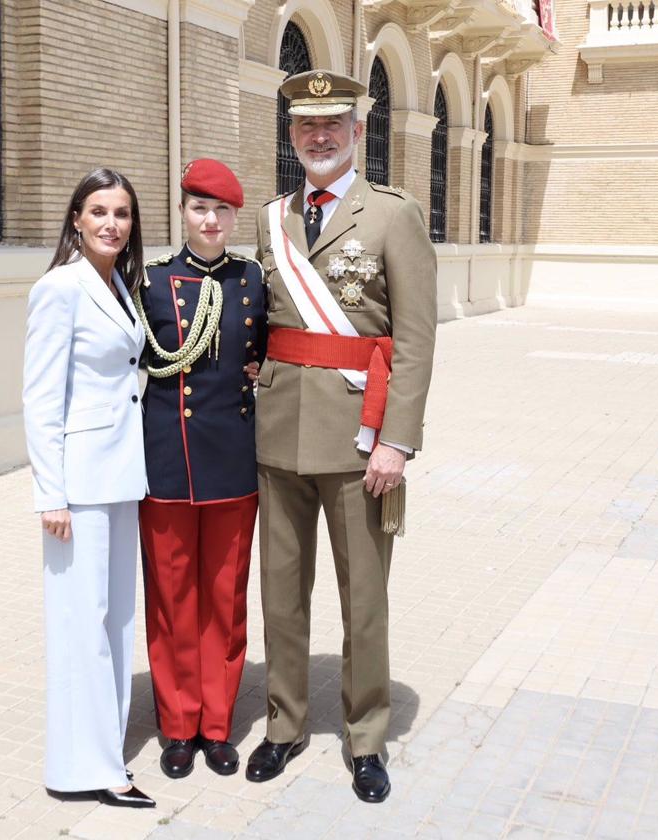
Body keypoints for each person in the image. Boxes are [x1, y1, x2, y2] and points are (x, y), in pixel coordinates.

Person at [245, 70, 437, 803]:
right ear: (292, 137)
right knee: (281, 594)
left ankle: (365, 738)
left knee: (364, 599)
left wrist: (398, 440)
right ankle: (285, 723)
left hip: (361, 443)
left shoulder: (392, 215)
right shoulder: (270, 220)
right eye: (304, 127)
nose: (319, 137)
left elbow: (416, 342)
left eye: (333, 125)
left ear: (357, 132)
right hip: (277, 435)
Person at [22, 168, 155, 809]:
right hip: (78, 484)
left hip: (122, 475)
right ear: (76, 218)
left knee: (115, 620)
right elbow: (41, 398)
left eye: (122, 213)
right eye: (98, 211)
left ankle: (101, 752)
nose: (111, 223)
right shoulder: (60, 287)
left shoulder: (121, 285)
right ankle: (91, 770)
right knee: (81, 623)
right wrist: (51, 493)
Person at [132, 159, 267, 780]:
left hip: (234, 461)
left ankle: (217, 726)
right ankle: (178, 725)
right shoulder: (150, 280)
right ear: (182, 212)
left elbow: (268, 356)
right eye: (198, 208)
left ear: (234, 217)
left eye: (221, 211)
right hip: (165, 462)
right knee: (170, 599)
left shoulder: (253, 280)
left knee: (224, 599)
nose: (210, 221)